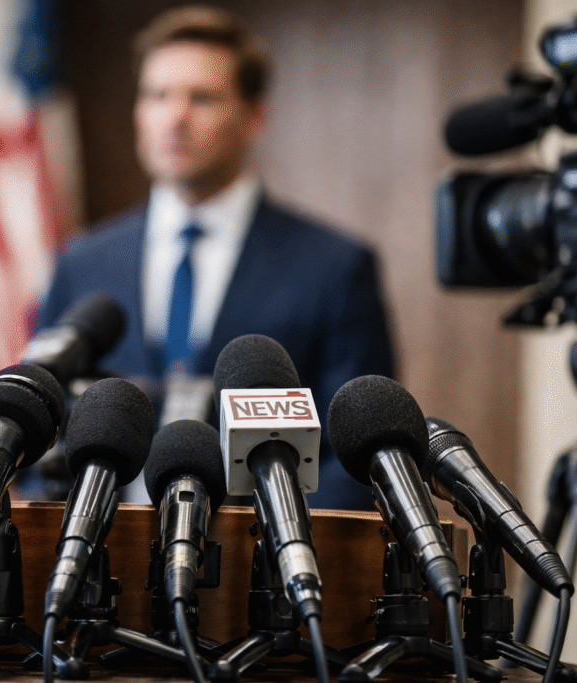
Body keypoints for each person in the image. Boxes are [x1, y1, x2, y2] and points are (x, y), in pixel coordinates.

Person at [34, 5, 394, 510]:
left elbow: (358, 461)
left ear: (255, 115)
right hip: (98, 568)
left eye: (201, 97)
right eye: (157, 96)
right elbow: (36, 439)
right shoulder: (80, 263)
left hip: (263, 569)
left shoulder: (335, 268)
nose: (175, 117)